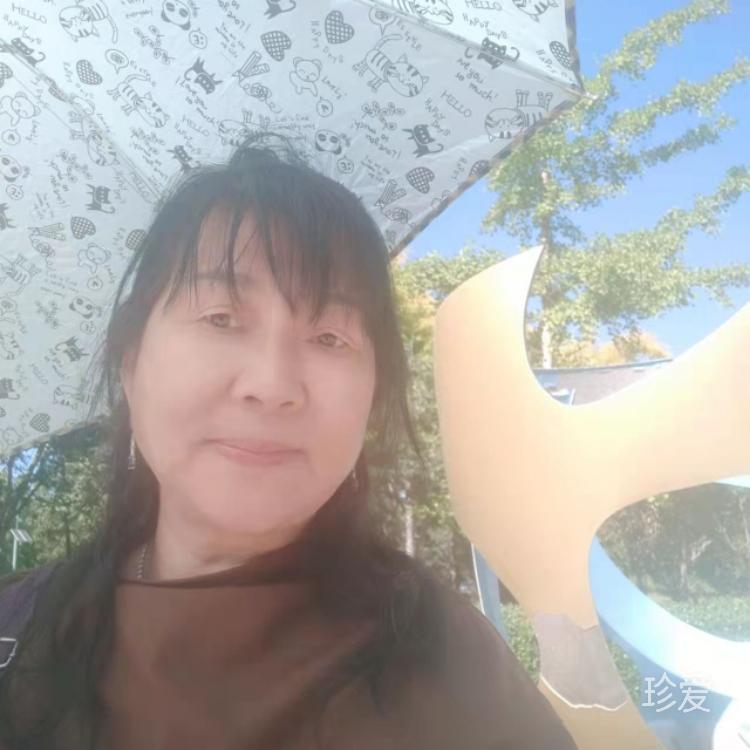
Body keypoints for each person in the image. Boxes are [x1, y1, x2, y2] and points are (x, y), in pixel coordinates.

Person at [0, 132, 577, 749]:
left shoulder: (450, 670)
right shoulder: (18, 631)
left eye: (330, 337)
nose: (272, 385)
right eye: (221, 318)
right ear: (130, 363)